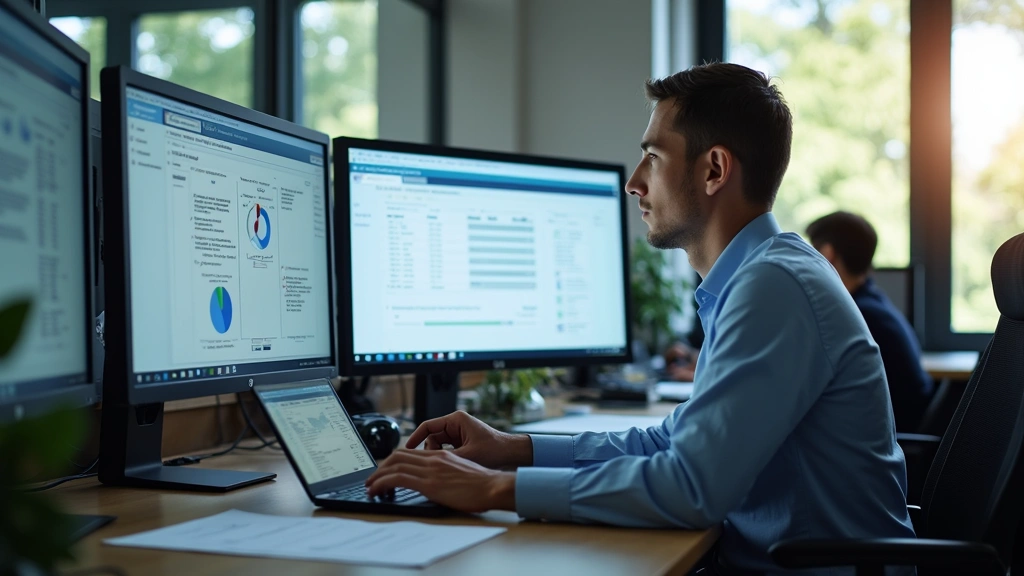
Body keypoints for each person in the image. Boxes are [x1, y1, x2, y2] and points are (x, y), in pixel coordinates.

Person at [365, 63, 915, 575]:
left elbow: (691, 486)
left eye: (653, 155)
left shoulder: (774, 287)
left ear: (714, 170)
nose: (634, 182)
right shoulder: (758, 278)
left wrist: (495, 488)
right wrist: (514, 449)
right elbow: (669, 444)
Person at [806, 211, 935, 432]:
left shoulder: (855, 316)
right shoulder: (873, 304)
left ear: (827, 254)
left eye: (811, 252)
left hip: (889, 438)